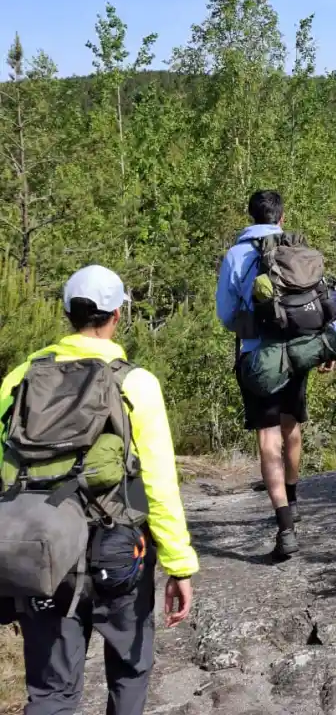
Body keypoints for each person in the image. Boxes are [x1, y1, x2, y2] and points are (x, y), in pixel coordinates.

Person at [0, 265, 197, 715]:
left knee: (51, 693)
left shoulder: (20, 377)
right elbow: (158, 482)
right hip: (118, 550)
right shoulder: (135, 382)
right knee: (128, 672)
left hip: (43, 549)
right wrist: (178, 564)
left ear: (67, 312)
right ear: (117, 315)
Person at [216, 189, 336, 560]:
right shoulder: (297, 250)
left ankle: (285, 527)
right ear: (281, 217)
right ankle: (294, 496)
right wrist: (327, 346)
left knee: (268, 439)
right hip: (300, 351)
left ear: (251, 216)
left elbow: (225, 315)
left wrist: (251, 323)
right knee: (292, 426)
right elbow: (324, 298)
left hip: (259, 358)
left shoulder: (236, 255)